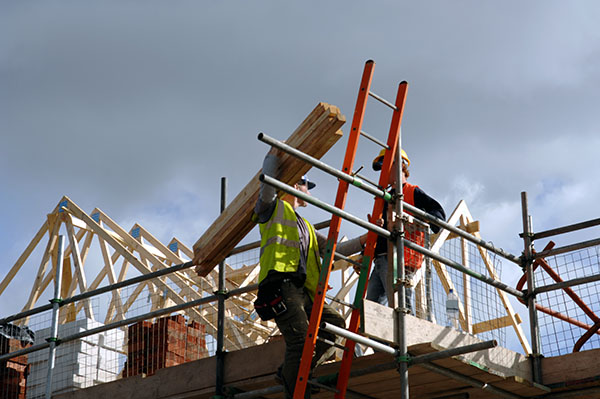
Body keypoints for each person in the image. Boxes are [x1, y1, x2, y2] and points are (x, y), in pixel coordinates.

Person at [253, 148, 366, 398]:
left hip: (302, 291)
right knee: (301, 342)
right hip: (281, 285)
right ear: (294, 183)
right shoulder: (272, 209)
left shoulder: (305, 227)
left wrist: (365, 239)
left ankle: (295, 374)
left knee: (336, 325)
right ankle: (296, 391)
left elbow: (334, 250)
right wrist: (272, 158)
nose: (309, 191)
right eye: (306, 184)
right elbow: (267, 188)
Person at [366, 149, 446, 313]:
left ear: (399, 166)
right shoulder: (384, 197)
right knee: (372, 310)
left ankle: (403, 336)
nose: (383, 173)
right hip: (381, 258)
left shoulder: (412, 192)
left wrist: (418, 219)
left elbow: (438, 215)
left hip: (402, 259)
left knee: (402, 306)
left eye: (386, 167)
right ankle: (379, 340)